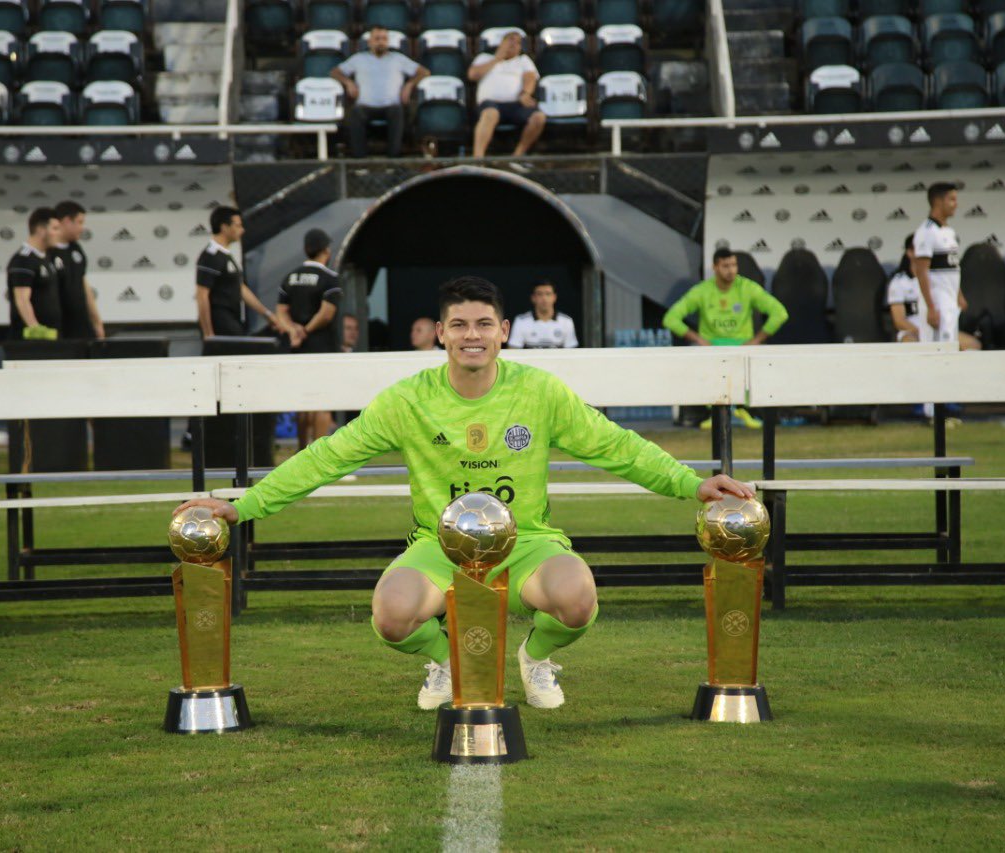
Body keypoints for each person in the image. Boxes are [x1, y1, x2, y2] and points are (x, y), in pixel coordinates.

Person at [174, 276, 753, 711]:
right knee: (392, 616)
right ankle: (445, 661)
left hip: (526, 541)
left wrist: (690, 482)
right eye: (458, 325)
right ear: (440, 333)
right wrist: (243, 504)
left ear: (504, 331)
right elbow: (328, 455)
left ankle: (535, 657)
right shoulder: (407, 400)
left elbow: (615, 445)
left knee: (577, 601)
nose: (471, 336)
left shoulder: (540, 391)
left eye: (483, 325)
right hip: (440, 546)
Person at [661, 247, 789, 430]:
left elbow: (780, 313)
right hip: (711, 346)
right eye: (725, 265)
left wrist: (755, 340)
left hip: (742, 345)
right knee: (697, 354)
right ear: (715, 267)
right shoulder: (703, 291)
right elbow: (670, 318)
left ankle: (744, 410)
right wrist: (698, 339)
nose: (731, 270)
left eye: (734, 265)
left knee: (759, 356)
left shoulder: (747, 287)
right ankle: (714, 412)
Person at [278, 228, 343, 449]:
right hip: (322, 347)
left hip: (297, 348)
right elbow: (326, 314)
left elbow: (281, 311)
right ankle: (319, 454)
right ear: (326, 250)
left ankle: (301, 450)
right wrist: (306, 329)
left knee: (302, 400)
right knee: (323, 401)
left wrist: (293, 330)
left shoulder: (290, 277)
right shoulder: (330, 278)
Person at [331, 25, 429, 158]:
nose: (381, 42)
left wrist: (409, 84)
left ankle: (392, 160)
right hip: (365, 107)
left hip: (391, 107)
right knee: (354, 113)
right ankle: (359, 162)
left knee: (398, 111)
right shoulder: (359, 59)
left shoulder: (398, 59)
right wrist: (348, 82)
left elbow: (424, 72)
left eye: (384, 38)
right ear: (369, 42)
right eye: (377, 38)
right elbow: (335, 72)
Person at [195, 206, 282, 339]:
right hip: (220, 322)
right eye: (238, 226)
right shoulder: (210, 256)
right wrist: (208, 333)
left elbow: (240, 288)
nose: (242, 230)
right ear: (224, 227)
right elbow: (202, 295)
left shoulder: (225, 255)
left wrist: (267, 314)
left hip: (233, 318)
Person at [887, 235, 980, 350]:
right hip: (913, 332)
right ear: (910, 252)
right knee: (910, 345)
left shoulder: (938, 277)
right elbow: (899, 320)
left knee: (972, 344)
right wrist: (922, 333)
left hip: (939, 330)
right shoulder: (899, 282)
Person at [468, 31, 546, 159]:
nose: (514, 44)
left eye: (518, 43)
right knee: (489, 114)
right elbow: (472, 75)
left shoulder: (523, 60)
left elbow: (530, 78)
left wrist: (525, 94)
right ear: (502, 43)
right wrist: (497, 58)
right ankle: (478, 158)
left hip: (516, 104)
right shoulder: (484, 58)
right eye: (510, 40)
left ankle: (517, 157)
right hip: (491, 103)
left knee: (539, 117)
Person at [912, 182, 964, 347]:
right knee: (936, 350)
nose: (956, 204)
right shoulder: (926, 232)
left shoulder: (949, 231)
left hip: (950, 301)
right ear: (938, 201)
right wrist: (931, 307)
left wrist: (959, 295)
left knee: (951, 347)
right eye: (952, 199)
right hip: (937, 301)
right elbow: (921, 272)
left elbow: (953, 267)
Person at [49, 200, 104, 340]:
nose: (82, 228)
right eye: (80, 222)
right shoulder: (47, 252)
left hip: (81, 325)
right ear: (67, 221)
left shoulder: (76, 249)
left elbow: (83, 284)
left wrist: (96, 320)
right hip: (59, 326)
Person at [7, 207, 62, 340]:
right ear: (41, 230)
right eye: (55, 228)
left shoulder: (47, 257)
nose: (59, 233)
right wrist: (35, 329)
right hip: (32, 340)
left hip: (52, 335)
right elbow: (21, 299)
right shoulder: (23, 260)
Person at [507, 280, 579, 348]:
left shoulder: (566, 321)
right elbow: (513, 350)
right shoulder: (521, 321)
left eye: (548, 294)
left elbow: (572, 353)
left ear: (554, 297)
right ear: (533, 298)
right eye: (539, 294)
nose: (544, 298)